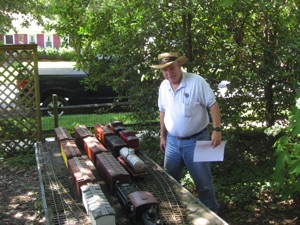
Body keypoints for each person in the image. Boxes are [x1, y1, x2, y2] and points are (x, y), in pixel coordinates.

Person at [150, 52, 222, 213]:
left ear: (179, 65)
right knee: (168, 180)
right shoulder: (163, 86)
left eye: (172, 68)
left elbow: (213, 105)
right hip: (173, 142)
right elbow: (162, 111)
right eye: (164, 70)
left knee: (204, 183)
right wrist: (163, 136)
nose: (169, 73)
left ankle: (213, 214)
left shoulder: (197, 81)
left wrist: (217, 130)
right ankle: (171, 214)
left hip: (199, 139)